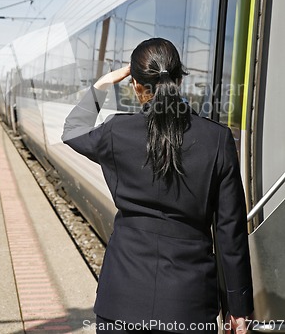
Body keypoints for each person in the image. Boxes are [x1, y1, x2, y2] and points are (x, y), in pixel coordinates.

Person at [62, 38, 254, 334]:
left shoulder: (117, 131)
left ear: (137, 86)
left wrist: (102, 85)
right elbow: (231, 232)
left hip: (121, 300)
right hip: (189, 305)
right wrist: (237, 309)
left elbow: (73, 131)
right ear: (179, 79)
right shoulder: (217, 139)